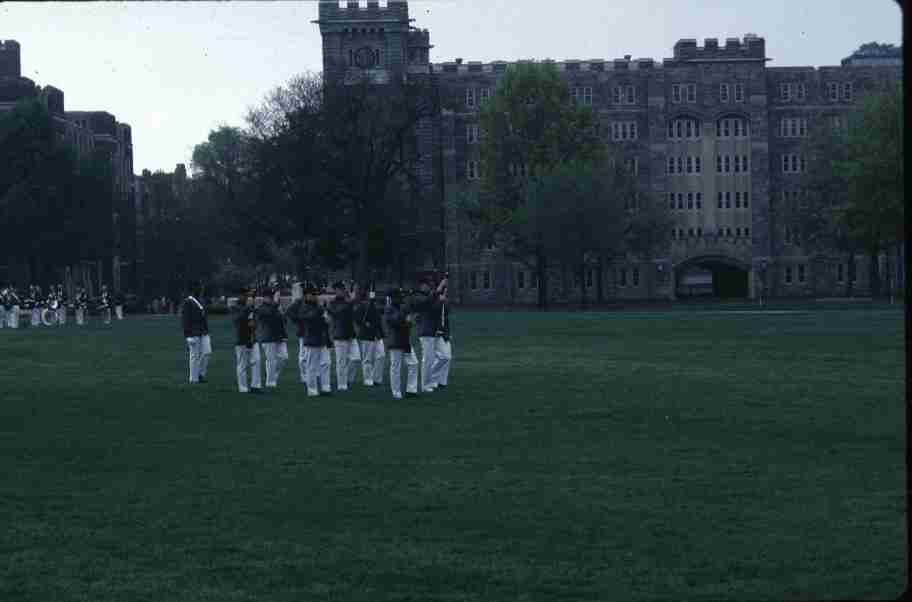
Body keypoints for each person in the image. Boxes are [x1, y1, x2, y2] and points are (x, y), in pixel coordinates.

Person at [412, 276, 447, 393]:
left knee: (444, 357)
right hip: (425, 331)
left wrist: (442, 301)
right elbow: (426, 303)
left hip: (433, 331)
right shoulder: (418, 297)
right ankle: (425, 384)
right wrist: (439, 289)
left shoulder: (430, 297)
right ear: (421, 286)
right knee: (428, 359)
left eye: (430, 284)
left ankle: (431, 379)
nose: (428, 286)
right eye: (426, 284)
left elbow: (435, 310)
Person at [384, 287, 418, 399]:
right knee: (395, 367)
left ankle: (411, 389)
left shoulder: (401, 308)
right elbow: (395, 321)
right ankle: (396, 391)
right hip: (395, 341)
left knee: (413, 363)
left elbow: (407, 322)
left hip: (404, 340)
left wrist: (408, 320)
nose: (400, 299)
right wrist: (405, 317)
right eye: (398, 297)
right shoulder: (389, 309)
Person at [326, 281, 360, 391]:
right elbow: (338, 312)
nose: (342, 291)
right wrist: (350, 302)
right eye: (339, 289)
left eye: (343, 289)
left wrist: (355, 298)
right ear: (335, 291)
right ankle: (342, 384)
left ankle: (349, 380)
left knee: (356, 359)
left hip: (351, 334)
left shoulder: (348, 301)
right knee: (341, 361)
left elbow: (355, 313)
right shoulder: (333, 303)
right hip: (339, 334)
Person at [256, 288, 288, 389]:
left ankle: (272, 375)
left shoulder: (275, 307)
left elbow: (283, 320)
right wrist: (276, 305)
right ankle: (270, 382)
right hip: (268, 337)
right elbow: (269, 314)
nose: (271, 299)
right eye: (269, 297)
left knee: (284, 358)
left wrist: (282, 313)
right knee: (271, 360)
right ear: (264, 298)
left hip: (279, 336)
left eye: (271, 297)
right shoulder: (261, 308)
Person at [232, 289, 262, 394]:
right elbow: (237, 319)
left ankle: (256, 386)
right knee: (242, 365)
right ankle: (243, 388)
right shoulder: (236, 308)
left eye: (248, 296)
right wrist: (247, 309)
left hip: (253, 338)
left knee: (257, 361)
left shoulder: (251, 308)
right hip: (241, 339)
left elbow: (255, 321)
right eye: (245, 296)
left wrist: (254, 322)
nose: (246, 298)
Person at [181, 283, 211, 384]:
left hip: (204, 331)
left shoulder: (200, 301)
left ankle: (200, 374)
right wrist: (187, 335)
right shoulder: (188, 302)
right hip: (193, 332)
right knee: (194, 355)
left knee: (207, 352)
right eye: (200, 289)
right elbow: (185, 319)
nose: (202, 291)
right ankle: (193, 378)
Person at [355, 285, 385, 386]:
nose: (371, 294)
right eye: (369, 292)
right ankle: (368, 379)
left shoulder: (375, 305)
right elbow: (358, 319)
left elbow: (379, 318)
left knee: (381, 356)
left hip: (377, 334)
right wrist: (365, 324)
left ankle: (377, 378)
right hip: (366, 335)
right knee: (367, 358)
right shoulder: (362, 306)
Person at [431, 287, 452, 389]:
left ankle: (442, 382)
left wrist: (444, 302)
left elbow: (446, 314)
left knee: (447, 357)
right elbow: (434, 312)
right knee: (442, 357)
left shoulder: (445, 302)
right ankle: (432, 377)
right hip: (435, 332)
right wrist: (440, 301)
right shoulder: (433, 301)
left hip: (445, 333)